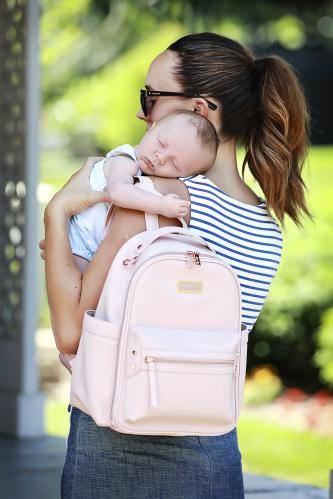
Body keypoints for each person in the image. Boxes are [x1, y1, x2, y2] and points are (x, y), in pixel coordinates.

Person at [43, 32, 310, 499]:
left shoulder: (152, 200)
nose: (140, 112)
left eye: (150, 98)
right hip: (213, 456)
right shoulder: (267, 229)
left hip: (115, 449)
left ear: (201, 110)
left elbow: (70, 333)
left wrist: (57, 210)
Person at [69, 110, 218, 263]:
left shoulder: (144, 173)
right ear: (152, 128)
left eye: (173, 163)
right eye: (161, 144)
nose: (160, 157)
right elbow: (117, 192)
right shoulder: (126, 159)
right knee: (76, 287)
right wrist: (161, 204)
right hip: (80, 239)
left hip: (93, 243)